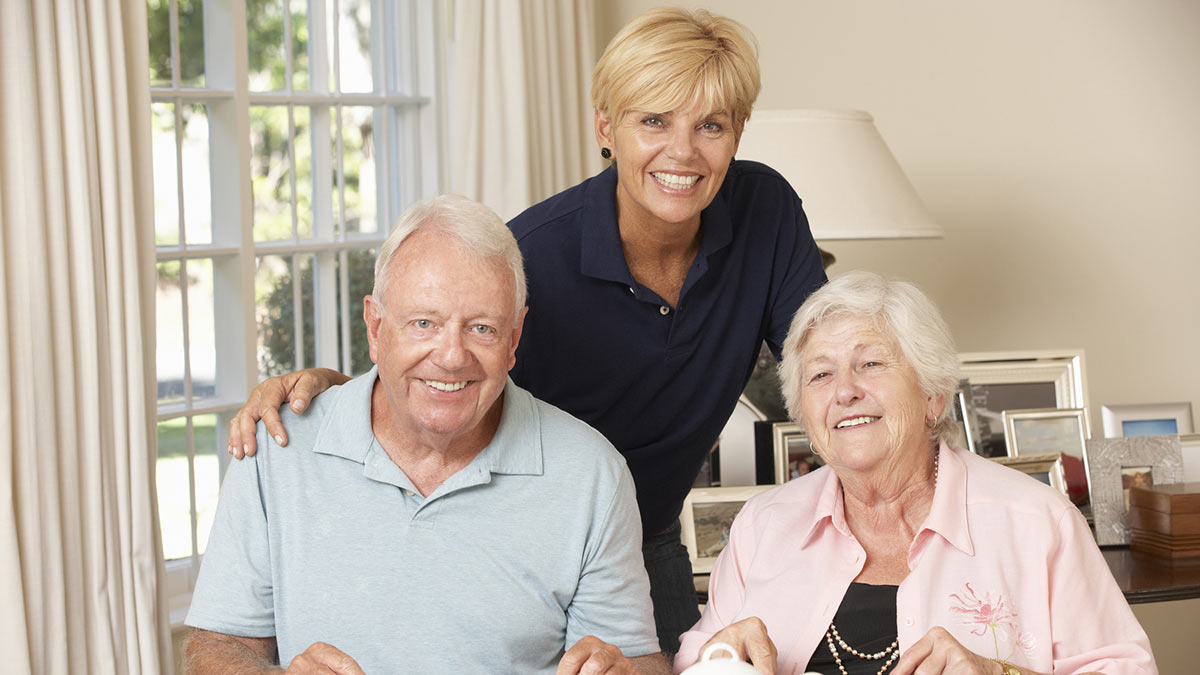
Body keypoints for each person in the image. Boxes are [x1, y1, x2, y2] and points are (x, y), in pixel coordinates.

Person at [224, 7, 826, 655]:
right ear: (606, 126)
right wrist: (332, 387)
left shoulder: (767, 210)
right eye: (653, 120)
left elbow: (824, 367)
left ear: (738, 132)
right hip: (520, 544)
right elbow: (444, 379)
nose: (682, 151)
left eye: (710, 125)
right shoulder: (533, 255)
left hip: (649, 539)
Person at [184, 195, 669, 674]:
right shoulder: (275, 449)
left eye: (481, 328)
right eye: (423, 323)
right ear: (375, 328)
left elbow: (635, 659)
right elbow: (216, 649)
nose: (452, 356)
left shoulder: (592, 475)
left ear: (515, 338)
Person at [675, 271, 1157, 675]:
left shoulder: (1035, 522)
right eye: (821, 374)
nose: (845, 391)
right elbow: (696, 660)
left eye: (871, 363)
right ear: (803, 411)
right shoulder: (764, 525)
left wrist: (998, 672)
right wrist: (718, 653)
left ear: (932, 394)